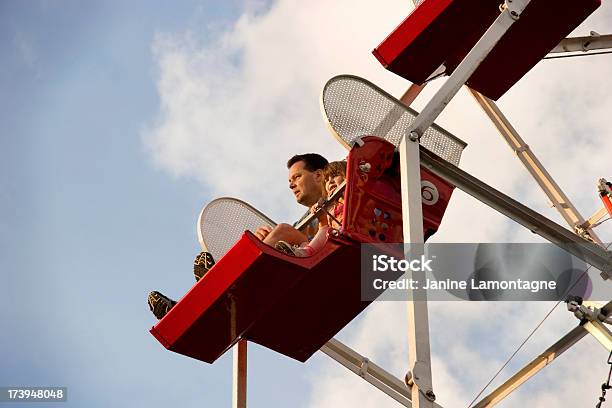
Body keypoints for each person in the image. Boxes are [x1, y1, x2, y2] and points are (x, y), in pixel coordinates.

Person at [148, 153, 328, 320]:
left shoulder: (344, 194)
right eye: (290, 180)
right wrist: (267, 241)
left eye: (297, 177)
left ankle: (221, 281)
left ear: (319, 175)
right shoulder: (303, 222)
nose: (291, 184)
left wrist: (280, 235)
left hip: (322, 264)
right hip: (295, 269)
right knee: (271, 236)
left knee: (282, 231)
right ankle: (187, 307)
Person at [275, 160, 346, 257]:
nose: (330, 181)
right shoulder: (332, 208)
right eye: (327, 180)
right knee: (309, 241)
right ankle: (304, 252)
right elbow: (325, 226)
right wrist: (321, 216)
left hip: (349, 233)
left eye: (335, 175)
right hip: (334, 239)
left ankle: (305, 252)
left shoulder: (353, 197)